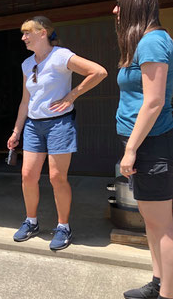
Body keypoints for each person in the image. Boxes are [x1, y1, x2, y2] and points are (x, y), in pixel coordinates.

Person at [7, 16, 107, 250]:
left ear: (42, 33)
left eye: (27, 32)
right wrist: (16, 130)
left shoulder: (61, 56)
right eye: (22, 33)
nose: (23, 37)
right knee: (28, 175)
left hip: (59, 123)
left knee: (56, 177)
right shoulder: (26, 64)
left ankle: (64, 226)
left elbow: (98, 72)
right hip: (33, 124)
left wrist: (72, 96)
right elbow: (25, 101)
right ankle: (31, 222)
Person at [112, 0, 173, 299]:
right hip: (142, 144)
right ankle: (159, 282)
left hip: (151, 144)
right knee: (151, 222)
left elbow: (154, 101)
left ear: (136, 5)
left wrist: (131, 149)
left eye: (120, 5)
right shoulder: (142, 43)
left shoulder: (153, 41)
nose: (115, 11)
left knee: (163, 226)